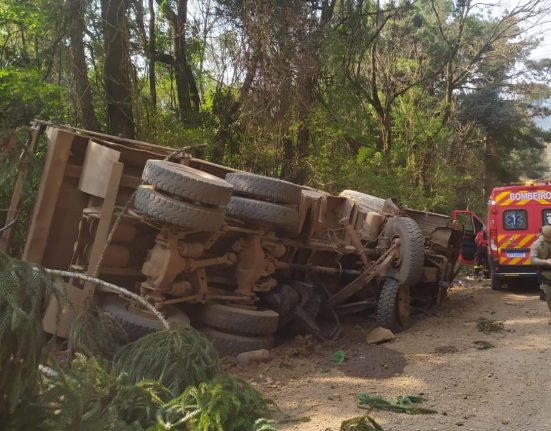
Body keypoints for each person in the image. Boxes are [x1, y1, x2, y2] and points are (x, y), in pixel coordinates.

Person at [529, 225, 551, 324]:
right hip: (546, 273)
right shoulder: (536, 244)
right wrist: (545, 262)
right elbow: (533, 259)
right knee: (549, 296)